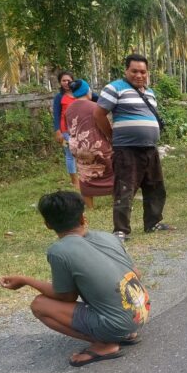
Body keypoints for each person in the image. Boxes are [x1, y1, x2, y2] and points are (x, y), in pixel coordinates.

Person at [0, 191, 150, 367]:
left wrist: (26, 280)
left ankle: (105, 344)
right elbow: (136, 273)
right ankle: (126, 333)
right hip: (141, 311)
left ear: (48, 224)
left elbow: (66, 297)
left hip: (118, 324)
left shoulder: (59, 251)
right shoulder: (108, 237)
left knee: (39, 305)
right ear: (83, 219)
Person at [94, 54, 174, 242]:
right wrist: (113, 137)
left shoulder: (150, 93)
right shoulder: (114, 88)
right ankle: (121, 230)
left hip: (150, 148)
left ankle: (153, 223)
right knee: (125, 188)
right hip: (127, 149)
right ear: (126, 71)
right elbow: (99, 114)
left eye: (143, 72)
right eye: (135, 71)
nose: (139, 75)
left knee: (155, 186)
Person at [65, 80, 114, 209]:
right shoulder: (94, 107)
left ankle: (90, 207)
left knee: (85, 175)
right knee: (112, 171)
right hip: (95, 146)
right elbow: (105, 124)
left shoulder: (69, 109)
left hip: (77, 148)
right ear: (88, 91)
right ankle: (117, 201)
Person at [52, 71, 79, 190]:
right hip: (65, 132)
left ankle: (86, 177)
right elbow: (57, 115)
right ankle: (74, 181)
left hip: (81, 131)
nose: (66, 82)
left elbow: (95, 98)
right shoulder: (59, 97)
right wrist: (57, 131)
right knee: (70, 155)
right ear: (60, 82)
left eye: (69, 80)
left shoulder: (80, 93)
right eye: (63, 80)